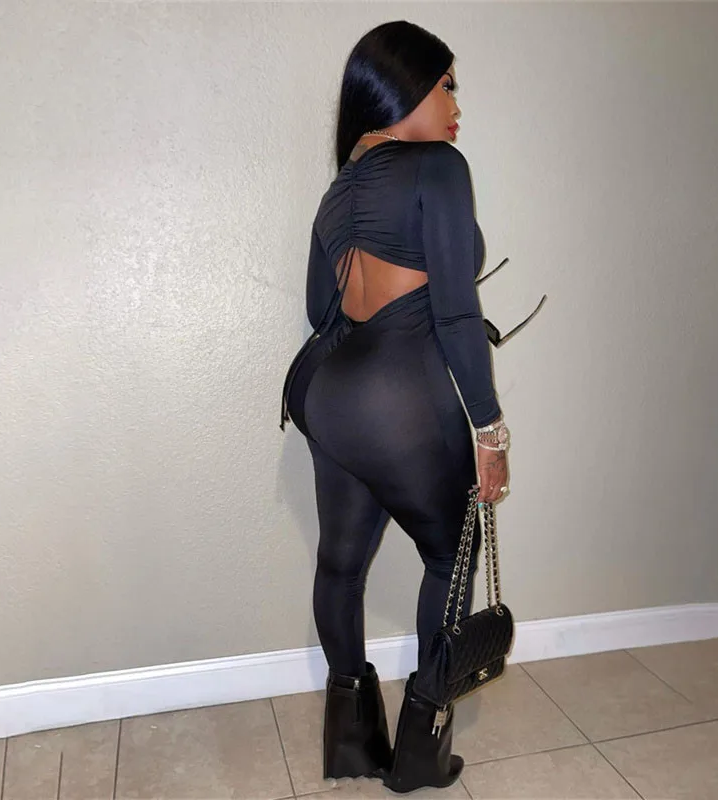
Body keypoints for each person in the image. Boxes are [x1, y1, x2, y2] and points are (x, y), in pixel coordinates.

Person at [280, 20, 510, 794]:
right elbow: (455, 313)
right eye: (446, 85)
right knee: (450, 558)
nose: (455, 104)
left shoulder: (336, 194)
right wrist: (490, 429)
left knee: (340, 565)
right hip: (400, 390)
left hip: (330, 394)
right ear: (402, 89)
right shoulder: (438, 167)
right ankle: (419, 751)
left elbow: (320, 310)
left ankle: (351, 743)